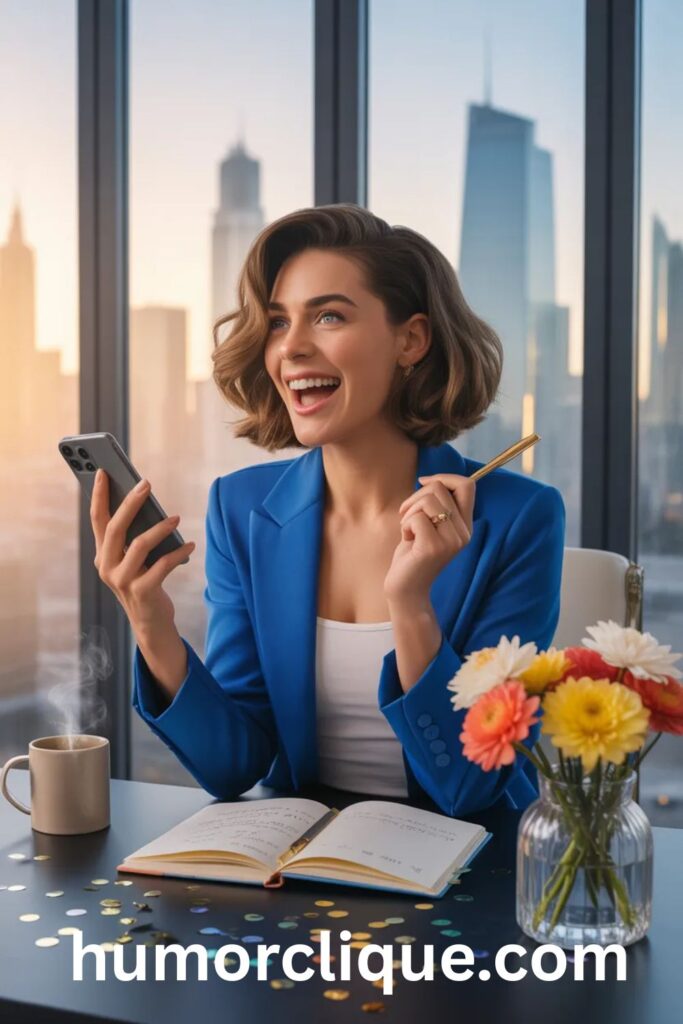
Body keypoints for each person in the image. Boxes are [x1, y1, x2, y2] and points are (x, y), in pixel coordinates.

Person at [90, 203, 565, 817]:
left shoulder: (520, 519)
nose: (292, 348)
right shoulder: (242, 509)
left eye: (329, 316)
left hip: (475, 877)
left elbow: (470, 787)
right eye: (279, 322)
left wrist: (412, 606)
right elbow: (233, 767)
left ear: (411, 339)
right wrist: (151, 623)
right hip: (306, 866)